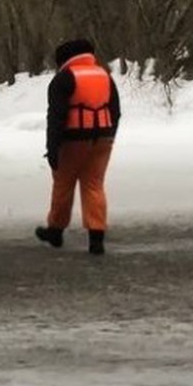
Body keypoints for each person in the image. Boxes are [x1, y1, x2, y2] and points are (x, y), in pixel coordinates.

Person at [36, 38, 121, 256]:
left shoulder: (64, 78)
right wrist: (108, 135)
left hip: (72, 139)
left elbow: (56, 116)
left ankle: (55, 230)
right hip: (102, 138)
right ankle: (96, 237)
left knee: (63, 185)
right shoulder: (104, 75)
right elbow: (115, 110)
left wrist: (52, 147)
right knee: (94, 185)